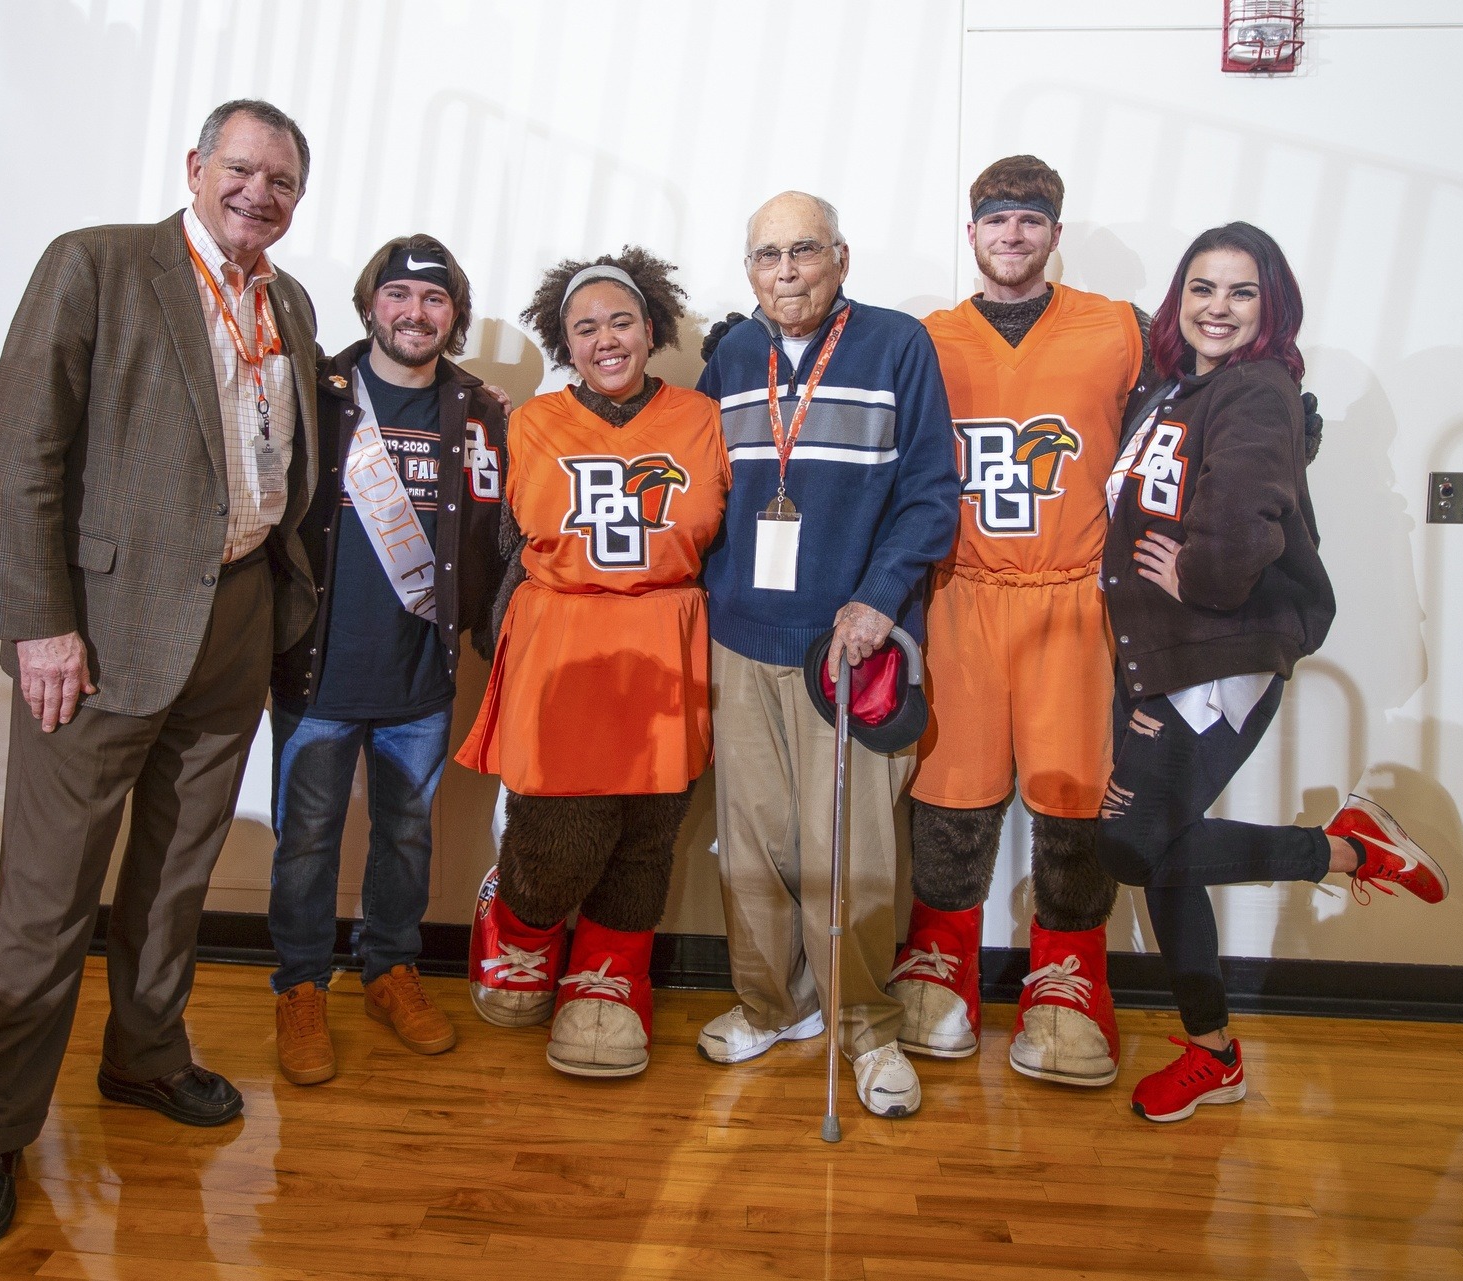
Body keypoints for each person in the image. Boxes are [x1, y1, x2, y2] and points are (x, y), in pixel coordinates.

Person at [0, 100, 319, 1249]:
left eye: (283, 183)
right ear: (197, 167)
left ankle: (145, 1057)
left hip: (237, 616)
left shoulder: (285, 302)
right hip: (98, 638)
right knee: (48, 902)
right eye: (242, 170)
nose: (260, 194)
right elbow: (20, 451)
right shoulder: (98, 264)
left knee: (173, 876)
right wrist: (41, 624)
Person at [1097, 221, 1449, 1124]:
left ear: (1271, 306)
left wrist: (1205, 573)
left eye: (1241, 292)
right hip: (1165, 656)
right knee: (1167, 860)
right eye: (1203, 289)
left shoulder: (1255, 389)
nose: (1218, 308)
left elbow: (1249, 512)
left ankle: (1345, 849)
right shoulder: (1175, 388)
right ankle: (1214, 1052)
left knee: (1132, 845)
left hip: (1215, 659)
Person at [694, 192, 959, 1118]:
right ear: (749, 270)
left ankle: (868, 1027)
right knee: (755, 844)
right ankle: (772, 1003)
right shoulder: (729, 357)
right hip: (740, 636)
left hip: (844, 645)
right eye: (766, 255)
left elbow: (931, 492)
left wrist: (878, 601)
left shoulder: (897, 345)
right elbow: (703, 489)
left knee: (848, 850)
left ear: (841, 257)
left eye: (804, 250)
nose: (786, 270)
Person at [891, 155, 1153, 1083]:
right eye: (996, 219)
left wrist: (1267, 411)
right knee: (950, 791)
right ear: (972, 234)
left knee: (1074, 793)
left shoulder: (1122, 329)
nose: (1013, 234)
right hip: (961, 590)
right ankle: (939, 958)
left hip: (1074, 591)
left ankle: (1069, 976)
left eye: (1030, 220)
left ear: (1054, 232)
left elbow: (1191, 410)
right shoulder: (925, 338)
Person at [456, 248, 728, 1079]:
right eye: (585, 328)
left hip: (666, 637)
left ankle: (611, 972)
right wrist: (504, 637)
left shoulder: (702, 418)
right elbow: (503, 547)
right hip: (564, 640)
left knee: (650, 828)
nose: (606, 340)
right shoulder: (530, 422)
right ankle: (523, 919)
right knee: (556, 824)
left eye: (621, 322)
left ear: (651, 328)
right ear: (563, 341)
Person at [264, 235, 509, 1085]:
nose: (415, 312)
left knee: (406, 837)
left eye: (434, 299)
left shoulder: (483, 411)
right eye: (399, 294)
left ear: (455, 314)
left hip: (420, 676)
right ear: (371, 302)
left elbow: (501, 530)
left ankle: (390, 970)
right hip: (316, 668)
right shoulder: (315, 393)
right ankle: (299, 985)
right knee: (306, 842)